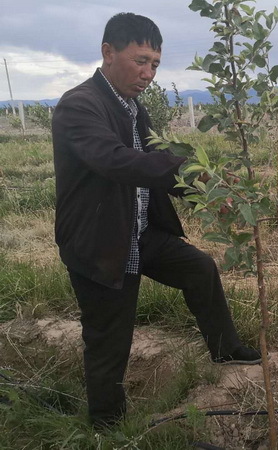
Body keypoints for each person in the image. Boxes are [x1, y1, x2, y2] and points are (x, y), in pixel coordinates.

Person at [52, 13, 260, 428]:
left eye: (155, 65)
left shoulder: (131, 106)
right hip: (100, 241)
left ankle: (225, 348)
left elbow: (154, 163)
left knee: (199, 268)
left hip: (140, 231)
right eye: (140, 61)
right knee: (109, 338)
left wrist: (210, 190)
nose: (148, 73)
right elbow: (118, 162)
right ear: (108, 53)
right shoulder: (79, 106)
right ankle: (107, 423)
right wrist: (189, 170)